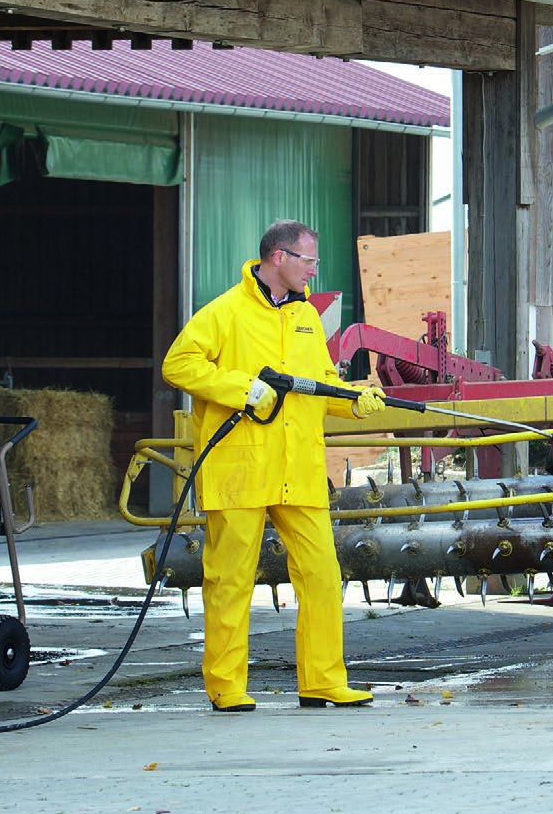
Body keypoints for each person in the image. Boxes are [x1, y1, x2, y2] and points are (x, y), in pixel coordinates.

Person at [162, 219, 386, 712]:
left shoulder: (306, 319)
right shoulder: (225, 313)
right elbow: (179, 364)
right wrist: (244, 389)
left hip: (299, 471)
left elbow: (322, 383)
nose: (314, 270)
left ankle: (323, 681)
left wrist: (355, 399)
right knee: (230, 579)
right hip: (241, 469)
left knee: (323, 575)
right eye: (309, 260)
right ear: (279, 257)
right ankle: (226, 687)